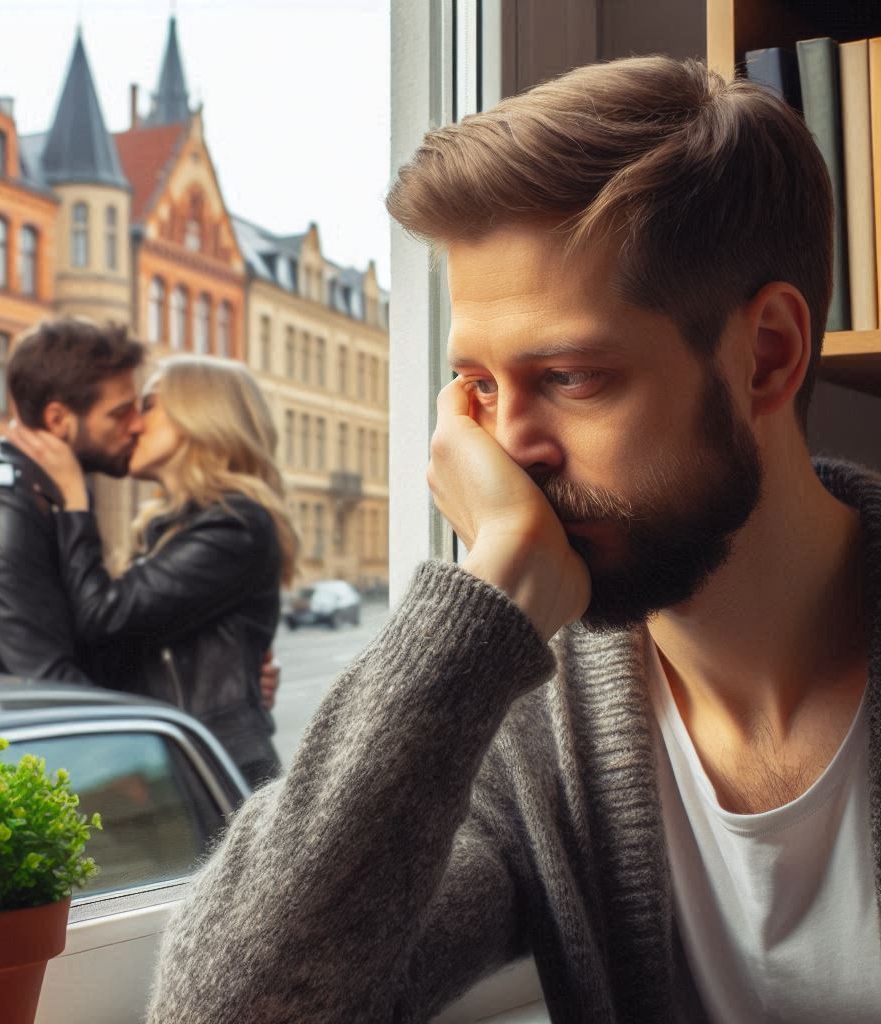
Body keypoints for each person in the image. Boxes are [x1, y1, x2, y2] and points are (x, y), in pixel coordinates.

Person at [141, 55, 881, 1023]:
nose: (510, 449)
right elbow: (222, 1009)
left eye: (571, 377)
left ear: (767, 355)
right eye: (479, 389)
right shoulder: (523, 726)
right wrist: (482, 601)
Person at [9, 354, 298, 789]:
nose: (135, 425)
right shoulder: (176, 527)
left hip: (216, 776)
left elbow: (104, 617)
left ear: (197, 415)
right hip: (178, 764)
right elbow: (135, 646)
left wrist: (74, 497)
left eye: (147, 406)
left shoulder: (234, 525)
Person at [0, 318, 144, 681]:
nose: (136, 425)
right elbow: (44, 683)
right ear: (59, 420)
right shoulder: (2, 509)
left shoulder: (48, 497)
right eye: (120, 413)